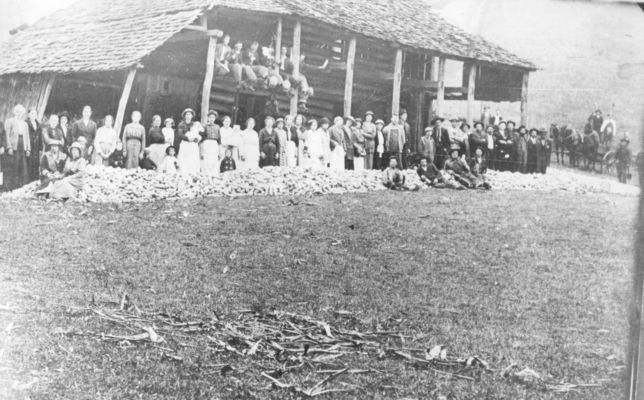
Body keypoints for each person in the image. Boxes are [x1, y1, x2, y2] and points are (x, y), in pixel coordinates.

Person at [4, 104, 31, 190]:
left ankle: (20, 186)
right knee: (13, 166)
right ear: (14, 112)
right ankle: (11, 187)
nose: (18, 113)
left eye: (20, 112)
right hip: (14, 146)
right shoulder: (10, 121)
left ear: (23, 113)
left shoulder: (25, 124)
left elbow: (27, 137)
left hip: (22, 145)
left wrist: (28, 149)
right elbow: (7, 135)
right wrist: (9, 147)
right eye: (17, 112)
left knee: (22, 166)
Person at [177, 108, 203, 175]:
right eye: (187, 114)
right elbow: (180, 134)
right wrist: (188, 139)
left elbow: (200, 133)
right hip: (185, 144)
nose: (188, 116)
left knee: (193, 158)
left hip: (193, 145)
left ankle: (193, 173)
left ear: (192, 116)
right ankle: (183, 173)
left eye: (190, 114)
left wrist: (197, 139)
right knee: (184, 159)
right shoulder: (181, 124)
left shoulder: (195, 124)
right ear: (184, 116)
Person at [200, 110, 221, 174]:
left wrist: (219, 151)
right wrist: (201, 151)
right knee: (206, 160)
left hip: (214, 144)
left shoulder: (217, 127)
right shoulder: (205, 126)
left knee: (214, 160)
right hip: (207, 144)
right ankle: (206, 174)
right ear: (208, 118)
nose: (211, 119)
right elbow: (202, 139)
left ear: (215, 118)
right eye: (210, 117)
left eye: (213, 117)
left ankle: (213, 175)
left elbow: (219, 140)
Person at [26, 108, 41, 181]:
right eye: (32, 113)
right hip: (29, 145)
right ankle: (29, 180)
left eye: (35, 114)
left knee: (36, 163)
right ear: (28, 114)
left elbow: (40, 136)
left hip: (36, 147)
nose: (33, 115)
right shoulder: (26, 123)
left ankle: (35, 180)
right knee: (29, 162)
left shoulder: (38, 124)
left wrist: (40, 147)